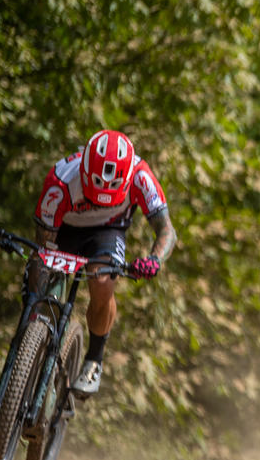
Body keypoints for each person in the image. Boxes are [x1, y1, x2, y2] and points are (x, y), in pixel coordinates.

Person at [30, 129, 177, 396]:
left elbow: (167, 230)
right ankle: (32, 338)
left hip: (107, 231)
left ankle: (94, 359)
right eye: (95, 192)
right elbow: (43, 241)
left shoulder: (141, 176)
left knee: (103, 281)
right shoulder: (61, 179)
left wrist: (154, 260)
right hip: (64, 228)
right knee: (41, 274)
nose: (99, 202)